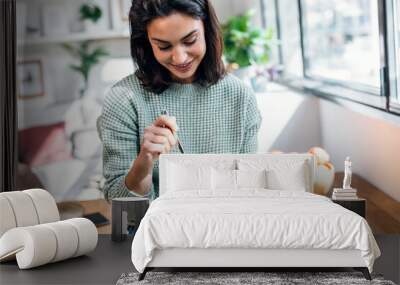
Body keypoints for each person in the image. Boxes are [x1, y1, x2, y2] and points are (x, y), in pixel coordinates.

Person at [98, 0, 262, 200]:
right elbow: (118, 205)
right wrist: (145, 162)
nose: (179, 58)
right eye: (164, 46)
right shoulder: (123, 100)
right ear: (147, 43)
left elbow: (248, 191)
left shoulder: (241, 97)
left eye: (190, 40)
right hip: (157, 230)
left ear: (206, 28)